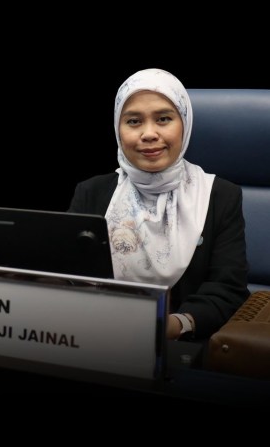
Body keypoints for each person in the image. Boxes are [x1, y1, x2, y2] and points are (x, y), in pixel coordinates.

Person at [68, 68, 249, 341]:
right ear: (118, 129)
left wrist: (175, 325)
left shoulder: (221, 196)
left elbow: (228, 290)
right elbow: (67, 274)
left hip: (182, 346)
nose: (149, 134)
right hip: (95, 337)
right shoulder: (91, 192)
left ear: (184, 124)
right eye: (134, 121)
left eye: (164, 119)